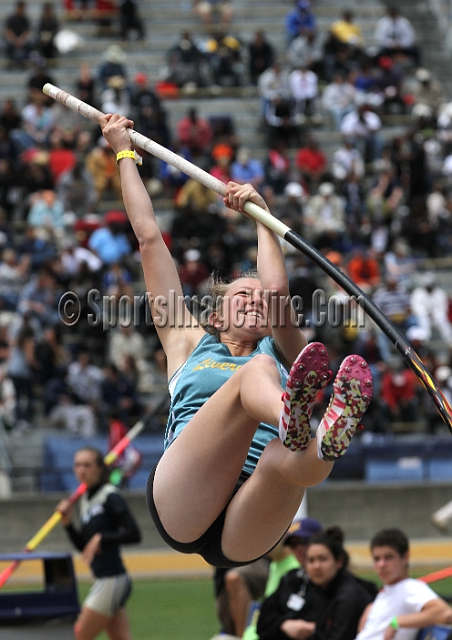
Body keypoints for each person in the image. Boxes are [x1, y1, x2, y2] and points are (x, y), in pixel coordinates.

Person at [99, 112, 374, 571]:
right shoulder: (187, 342)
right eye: (240, 295)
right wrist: (124, 153)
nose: (255, 302)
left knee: (293, 458)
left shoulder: (283, 349)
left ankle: (325, 432)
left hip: (251, 525)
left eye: (259, 301)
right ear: (215, 312)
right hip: (185, 499)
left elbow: (277, 293)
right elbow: (149, 240)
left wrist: (264, 216)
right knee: (258, 378)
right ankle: (297, 418)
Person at [57, 447, 142, 640]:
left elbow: (134, 534)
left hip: (112, 579)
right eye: (77, 465)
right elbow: (85, 549)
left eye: (87, 465)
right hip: (101, 579)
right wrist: (68, 524)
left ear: (99, 469)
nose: (81, 470)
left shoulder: (110, 495)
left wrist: (102, 537)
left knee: (80, 635)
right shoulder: (85, 500)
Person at [257, 526, 377, 640]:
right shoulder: (295, 579)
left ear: (339, 561)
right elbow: (263, 622)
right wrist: (283, 624)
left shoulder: (348, 594)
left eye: (322, 559)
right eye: (311, 560)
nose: (316, 566)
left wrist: (314, 630)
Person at [356, 528, 452, 640]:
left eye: (388, 557)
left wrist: (397, 622)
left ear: (405, 557)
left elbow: (445, 613)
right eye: (377, 559)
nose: (381, 564)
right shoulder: (388, 591)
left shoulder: (410, 587)